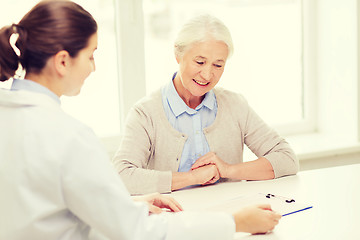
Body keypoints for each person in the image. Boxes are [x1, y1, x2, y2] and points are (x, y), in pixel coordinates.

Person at [0, 1, 281, 239]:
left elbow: (51, 206)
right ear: (63, 61)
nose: (93, 68)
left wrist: (128, 203)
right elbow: (139, 231)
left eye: (218, 64)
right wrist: (235, 223)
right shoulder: (69, 136)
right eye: (91, 55)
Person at [112, 14, 299, 195]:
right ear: (178, 54)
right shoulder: (145, 113)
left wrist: (227, 170)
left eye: (218, 65)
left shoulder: (235, 105)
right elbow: (122, 176)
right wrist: (191, 178)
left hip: (231, 218)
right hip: (174, 221)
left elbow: (287, 159)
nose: (207, 75)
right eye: (200, 62)